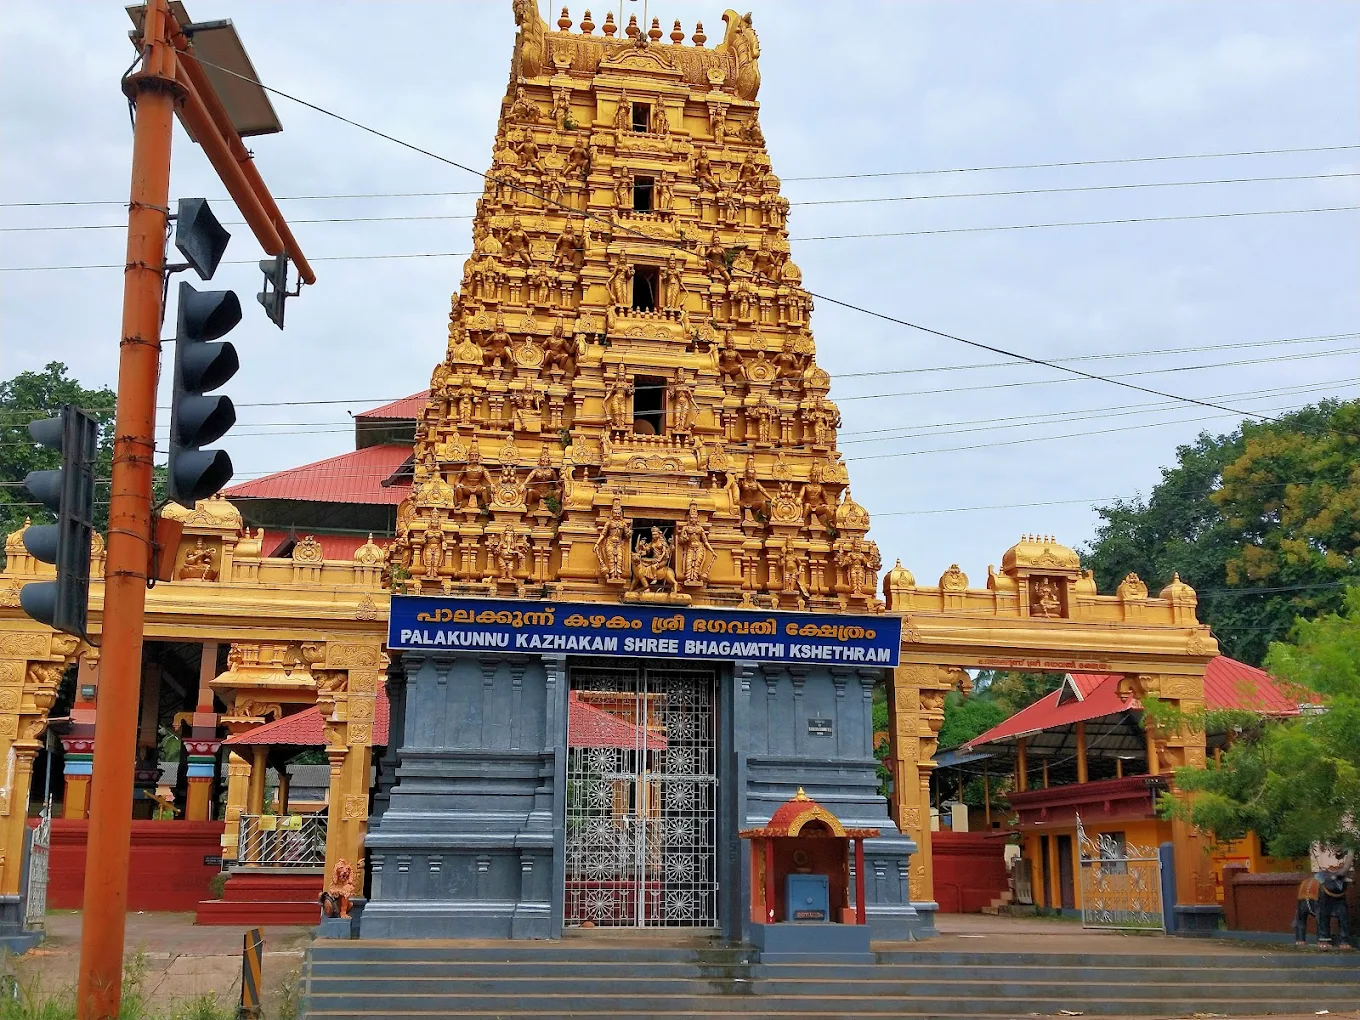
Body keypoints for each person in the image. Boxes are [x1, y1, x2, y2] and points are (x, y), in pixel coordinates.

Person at [1317, 852, 1353, 950]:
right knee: (1323, 915)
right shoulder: (1324, 878)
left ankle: (1344, 940)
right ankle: (1324, 938)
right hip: (1325, 895)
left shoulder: (1344, 858)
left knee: (1343, 916)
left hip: (1339, 897)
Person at [1295, 871, 1320, 946]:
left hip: (1302, 899)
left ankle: (1300, 939)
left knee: (1301, 920)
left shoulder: (1305, 882)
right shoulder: (1322, 881)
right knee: (1321, 920)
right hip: (1316, 900)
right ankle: (1321, 939)